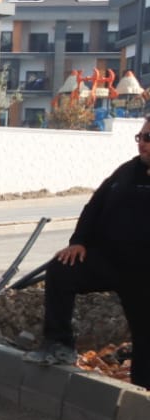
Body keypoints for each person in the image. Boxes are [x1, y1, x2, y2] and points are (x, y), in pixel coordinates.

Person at [23, 120, 150, 388]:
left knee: (145, 337)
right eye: (140, 136)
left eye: (148, 137)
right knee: (62, 268)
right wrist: (78, 241)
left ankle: (141, 396)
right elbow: (93, 207)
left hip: (144, 275)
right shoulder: (126, 172)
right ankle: (58, 344)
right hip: (109, 262)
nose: (142, 142)